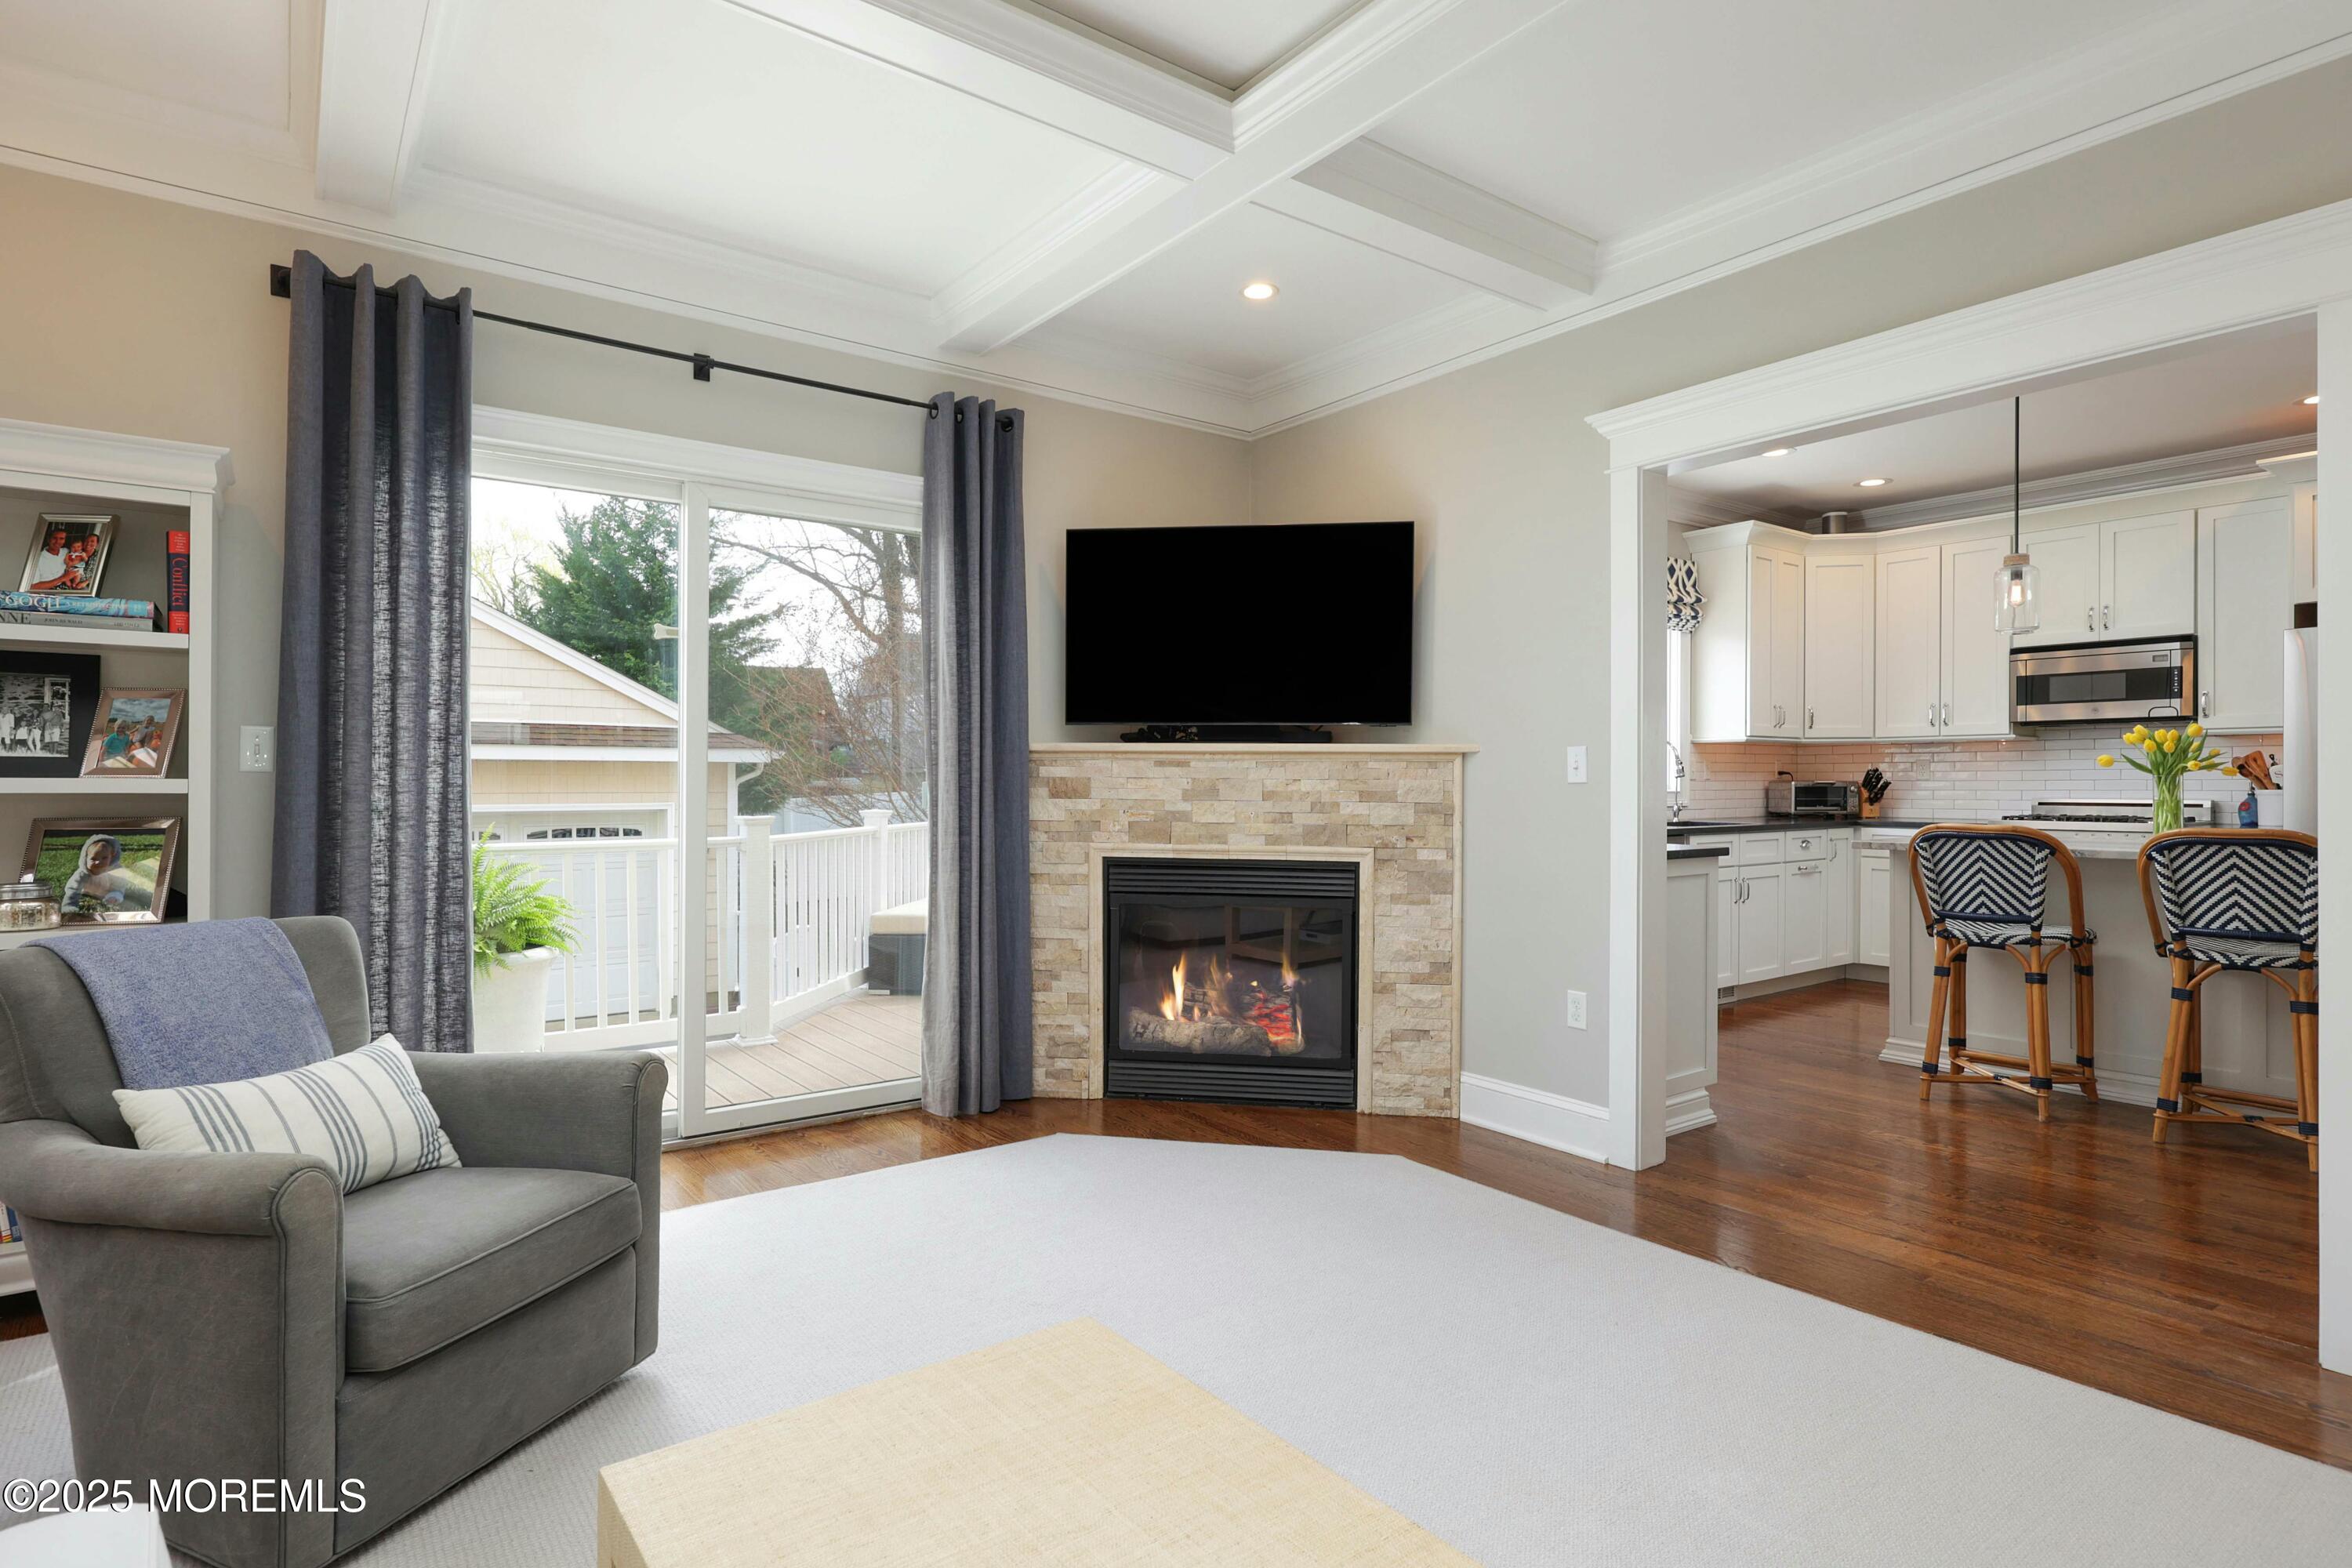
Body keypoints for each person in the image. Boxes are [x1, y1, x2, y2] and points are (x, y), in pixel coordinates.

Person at [60, 833, 149, 916]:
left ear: (112, 856)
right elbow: (72, 890)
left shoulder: (116, 870)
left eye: (104, 858)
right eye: (93, 859)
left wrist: (115, 894)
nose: (99, 862)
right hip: (86, 891)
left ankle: (111, 898)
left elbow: (119, 885)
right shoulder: (82, 874)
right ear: (85, 858)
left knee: (116, 897)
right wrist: (69, 906)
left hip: (108, 891)